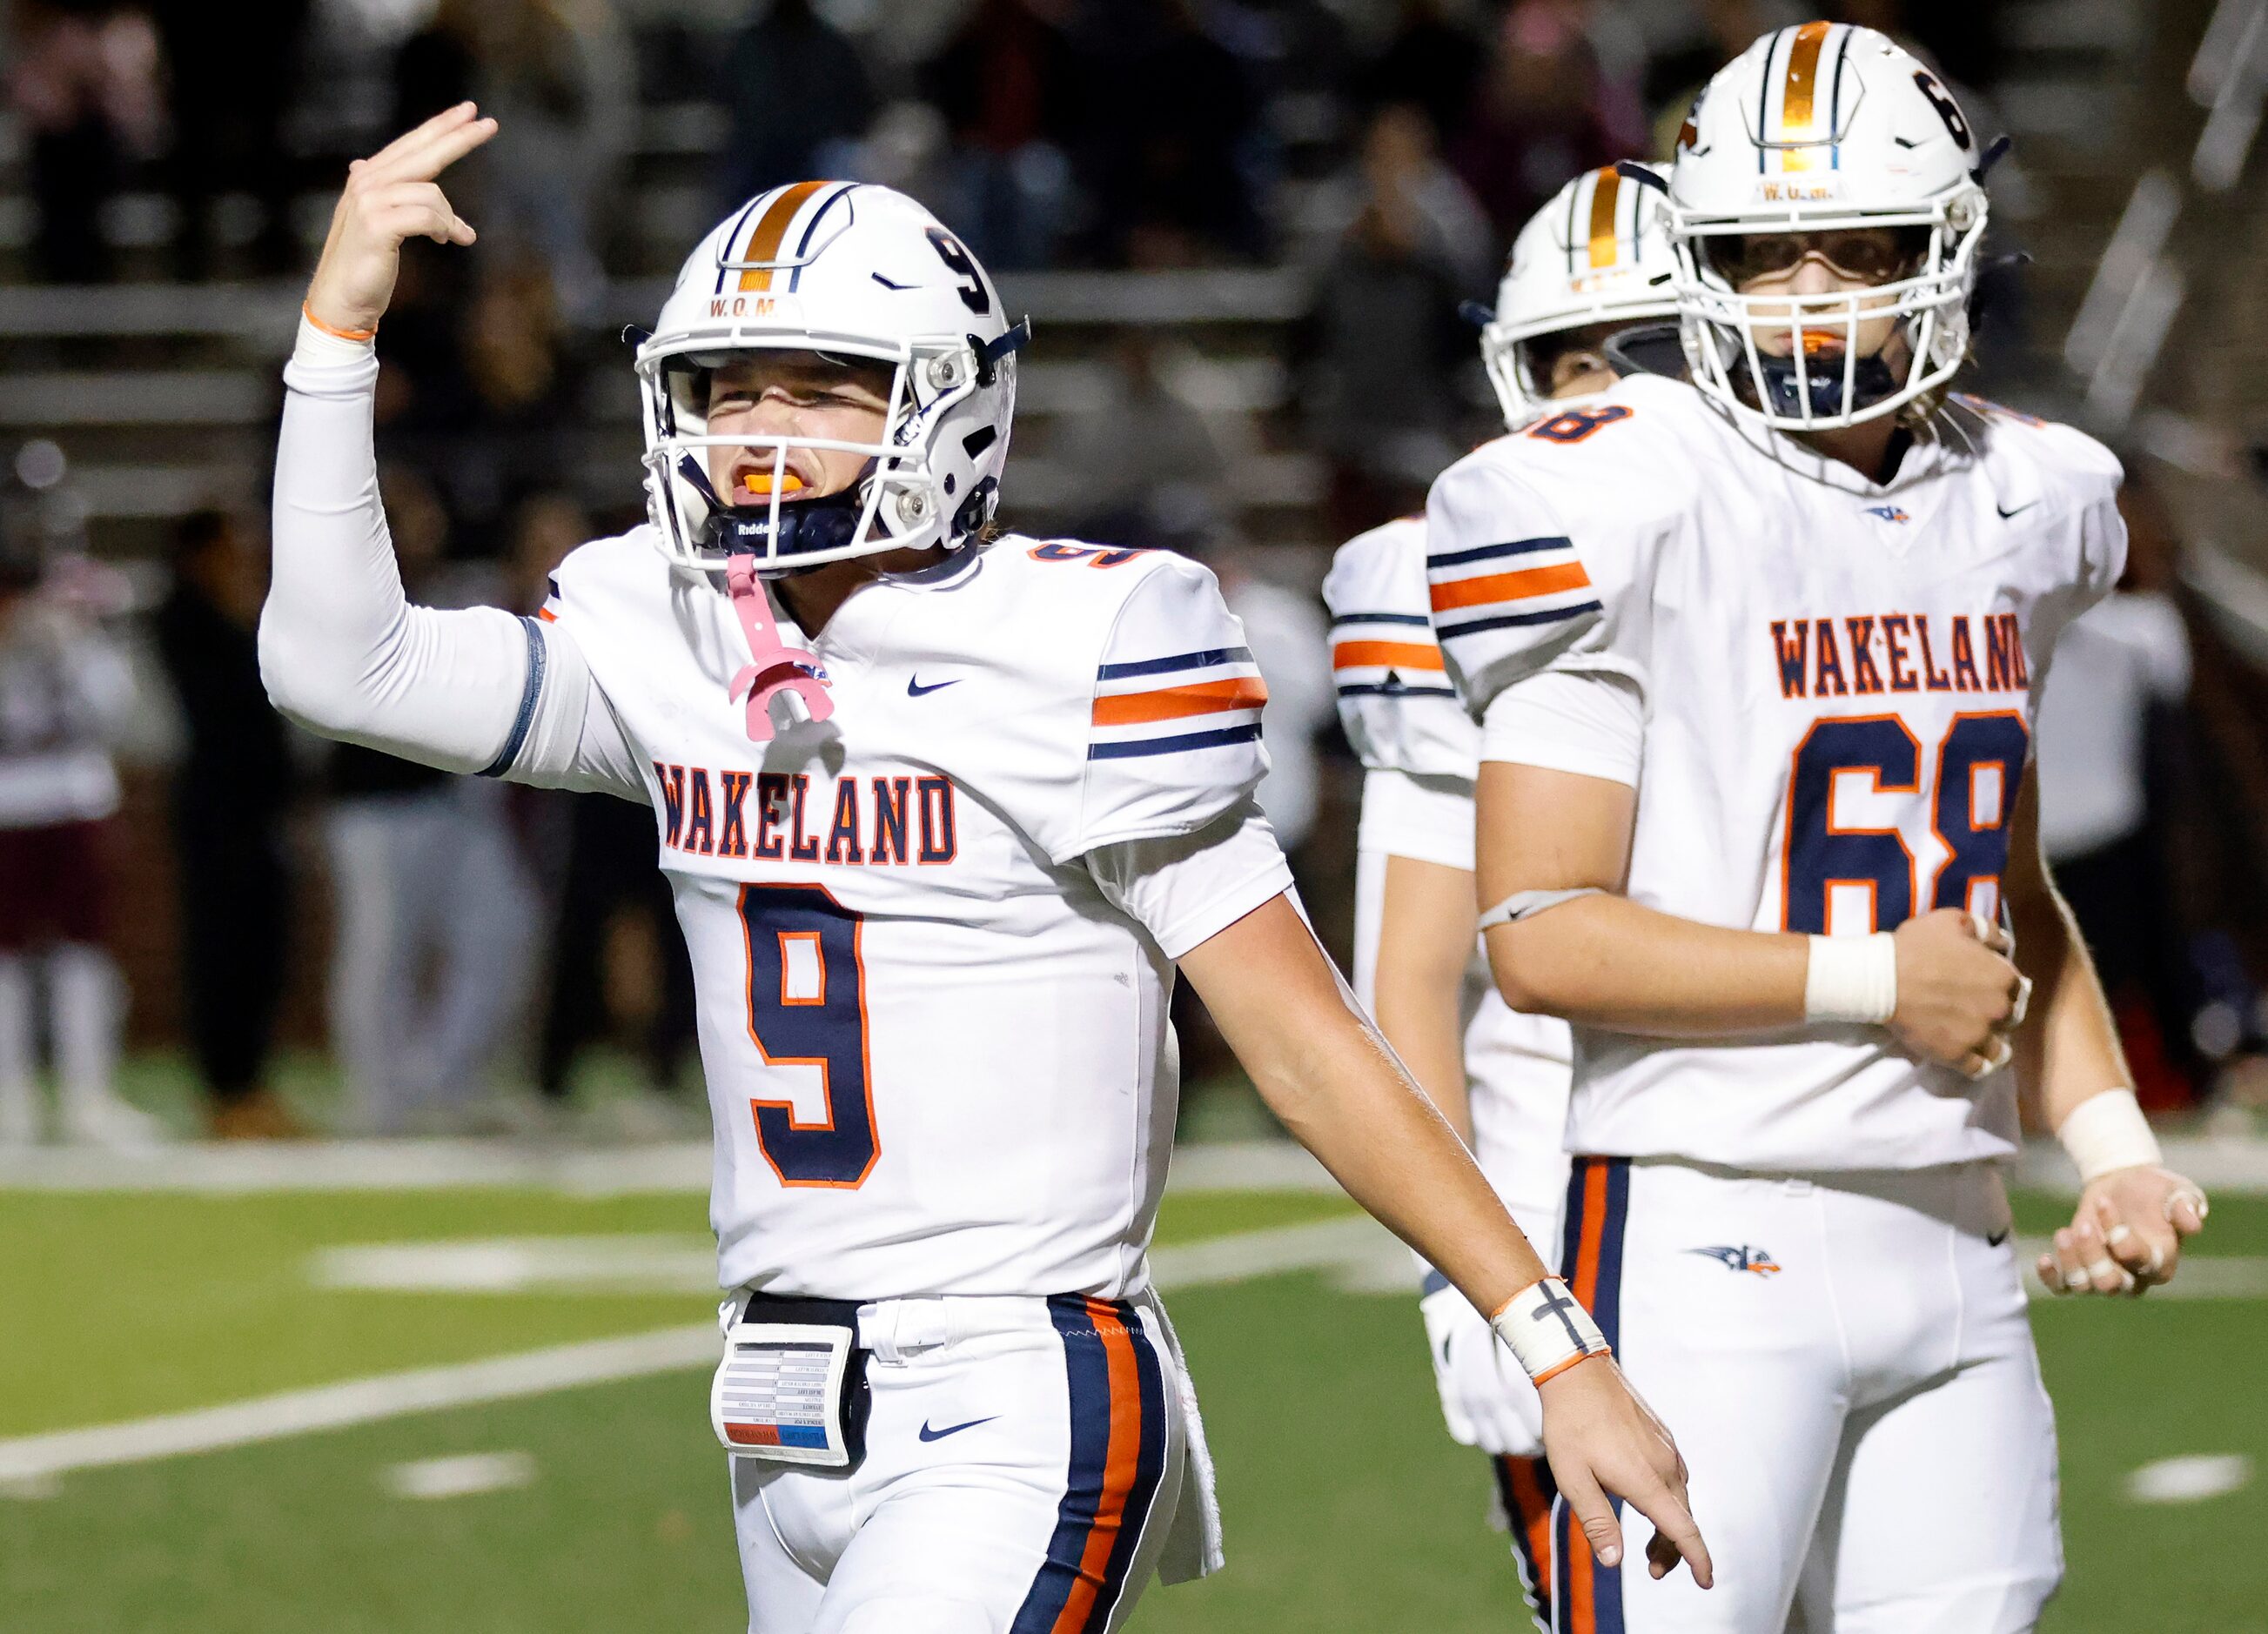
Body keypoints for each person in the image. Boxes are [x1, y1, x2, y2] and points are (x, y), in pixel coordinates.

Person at [262, 108, 1710, 1631]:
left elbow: (1303, 1041)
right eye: (727, 386)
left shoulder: (1085, 641)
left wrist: (1555, 1345)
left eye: (822, 390)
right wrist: (336, 326)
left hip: (1016, 1383)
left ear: (945, 405)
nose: (760, 428)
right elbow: (333, 663)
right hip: (777, 1395)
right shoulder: (664, 627)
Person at [1425, 26, 2210, 1631]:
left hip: (1958, 1227)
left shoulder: (2029, 499)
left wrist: (2115, 1145)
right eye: (1758, 258)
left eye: (1855, 253)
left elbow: (2002, 891)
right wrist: (1866, 982)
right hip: (1704, 1213)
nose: (1808, 297)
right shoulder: (1618, 497)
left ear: (1946, 253)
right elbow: (1537, 932)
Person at [1323, 160, 1679, 1631]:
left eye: (1641, 356)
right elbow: (1411, 972)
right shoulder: (1448, 573)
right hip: (1558, 1183)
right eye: (1572, 364)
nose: (1603, 398)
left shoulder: (1815, 544)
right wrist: (1463, 1274)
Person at [0, 452, 161, 1146]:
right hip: (8, 790)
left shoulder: (89, 597)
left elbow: (116, 704)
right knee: (5, 957)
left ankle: (86, 1095)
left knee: (84, 951)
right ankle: (11, 1099)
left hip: (74, 785)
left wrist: (76, 644)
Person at [152, 509, 304, 1139]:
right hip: (218, 815)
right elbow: (226, 711)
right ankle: (226, 1090)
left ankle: (251, 1084)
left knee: (263, 949)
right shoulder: (183, 619)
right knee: (222, 951)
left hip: (258, 811)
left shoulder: (229, 614)